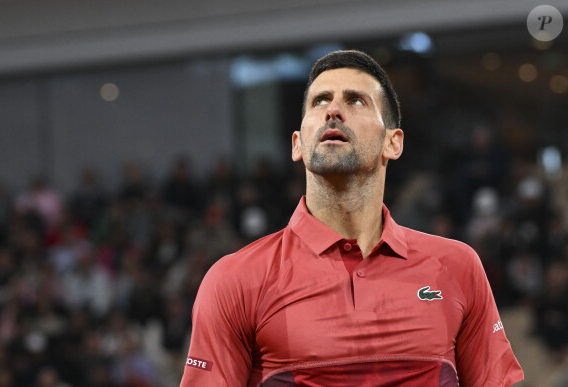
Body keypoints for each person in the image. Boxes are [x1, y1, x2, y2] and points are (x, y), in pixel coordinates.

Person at [179, 50, 523, 386]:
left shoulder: (458, 267)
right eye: (319, 101)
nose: (333, 110)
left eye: (355, 100)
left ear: (393, 143)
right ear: (297, 144)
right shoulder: (235, 280)